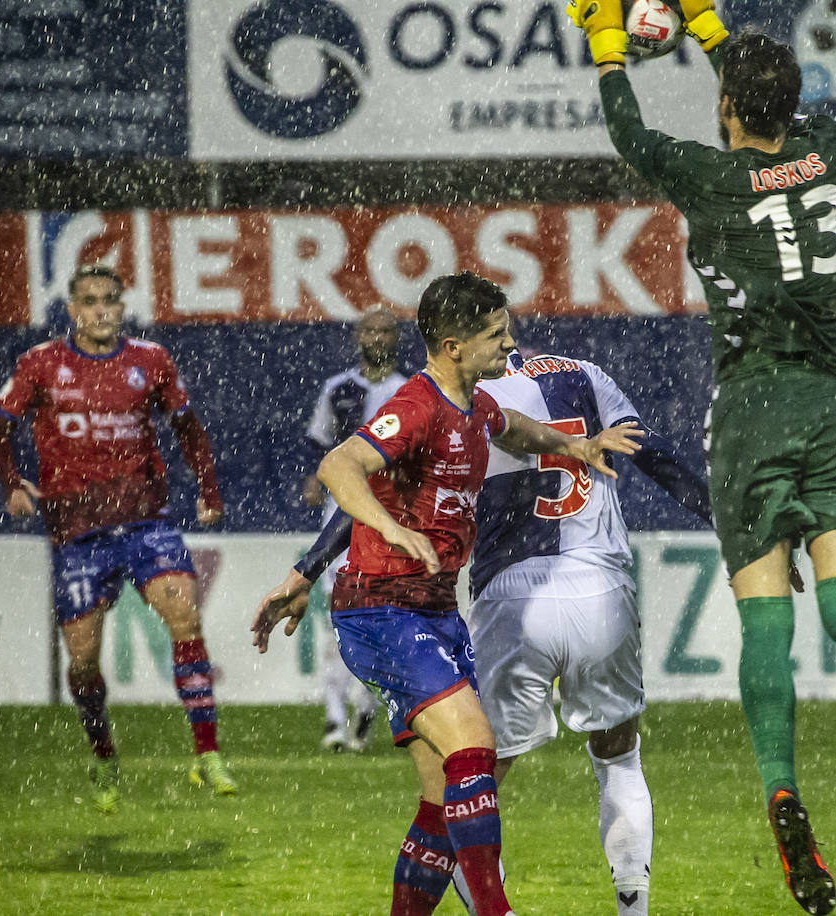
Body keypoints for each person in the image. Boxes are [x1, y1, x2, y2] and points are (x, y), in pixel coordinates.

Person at [567, 6, 836, 912]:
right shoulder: (830, 149)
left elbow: (630, 130)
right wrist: (712, 27)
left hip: (751, 412)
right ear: (794, 98)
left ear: (724, 109)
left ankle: (784, 792)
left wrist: (607, 45)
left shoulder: (710, 179)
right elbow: (764, 96)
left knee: (764, 628)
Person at [251, 271, 643, 916]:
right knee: (474, 747)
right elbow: (339, 466)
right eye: (496, 333)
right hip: (381, 608)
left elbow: (513, 427)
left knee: (444, 800)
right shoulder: (417, 406)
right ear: (454, 346)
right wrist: (385, 524)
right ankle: (496, 911)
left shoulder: (473, 406)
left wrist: (574, 442)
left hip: (432, 610)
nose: (509, 342)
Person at [294, 346, 712, 916]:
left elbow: (372, 482)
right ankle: (630, 908)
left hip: (512, 596)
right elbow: (653, 454)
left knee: (467, 778)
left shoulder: (463, 398)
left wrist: (308, 567)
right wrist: (723, 520)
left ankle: (487, 906)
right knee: (618, 759)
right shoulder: (583, 373)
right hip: (601, 590)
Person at [0, 263, 235, 815]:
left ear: (123, 308)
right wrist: (10, 485)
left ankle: (208, 751)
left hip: (146, 521)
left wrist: (208, 490)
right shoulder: (41, 365)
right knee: (83, 659)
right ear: (72, 310)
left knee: (185, 615)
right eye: (89, 301)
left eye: (110, 301)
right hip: (78, 534)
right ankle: (103, 755)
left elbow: (188, 428)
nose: (100, 310)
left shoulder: (151, 361)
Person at [303, 306, 410, 752]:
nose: (377, 337)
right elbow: (320, 444)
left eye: (385, 330)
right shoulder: (338, 389)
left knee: (378, 615)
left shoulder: (411, 389)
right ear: (357, 337)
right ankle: (333, 716)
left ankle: (366, 708)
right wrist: (314, 478)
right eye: (369, 330)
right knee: (337, 615)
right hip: (343, 512)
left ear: (397, 338)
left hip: (392, 512)